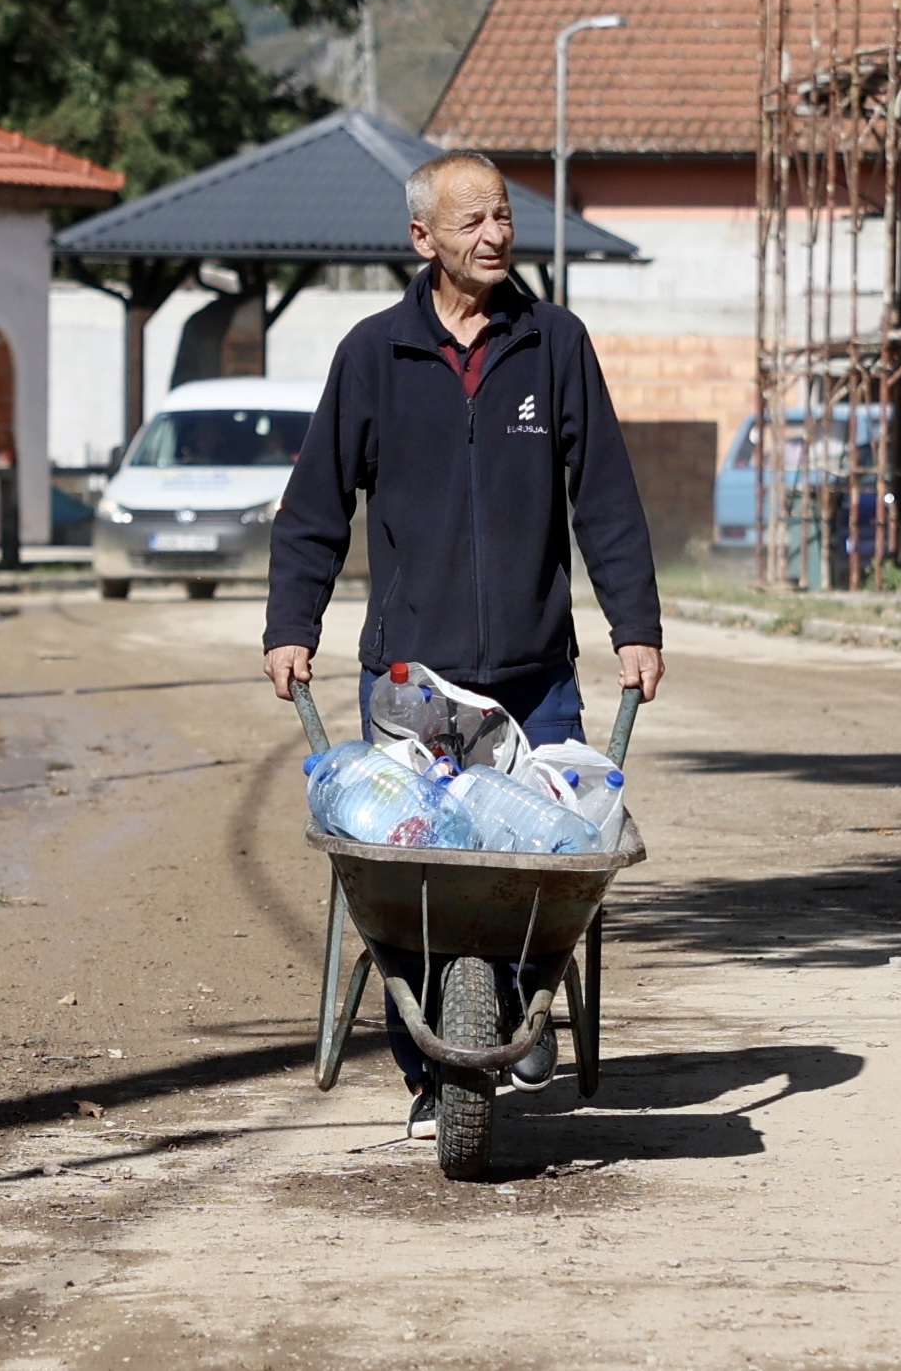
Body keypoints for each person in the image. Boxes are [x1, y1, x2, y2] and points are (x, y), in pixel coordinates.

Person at [262, 149, 665, 1139]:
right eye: (471, 219)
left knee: (545, 862)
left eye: (502, 216)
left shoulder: (553, 343)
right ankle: (429, 1073)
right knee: (412, 890)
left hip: (534, 677)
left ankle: (522, 1005)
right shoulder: (374, 355)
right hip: (412, 681)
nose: (494, 234)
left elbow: (605, 496)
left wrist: (635, 625)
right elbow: (314, 508)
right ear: (422, 238)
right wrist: (290, 625)